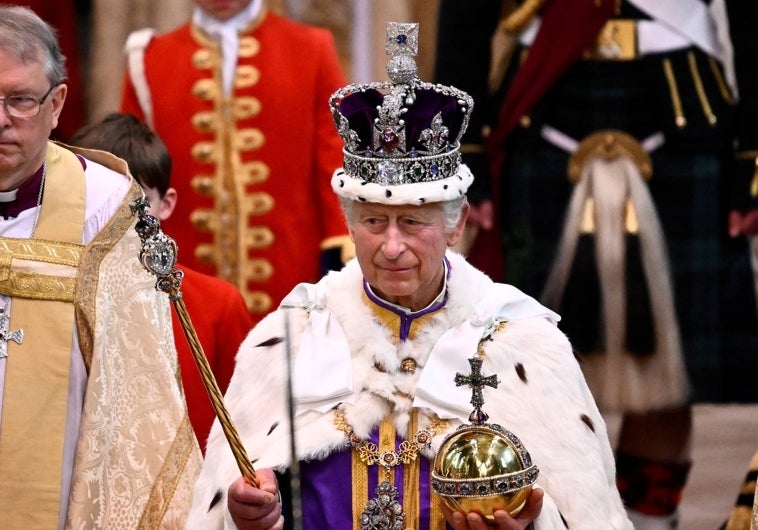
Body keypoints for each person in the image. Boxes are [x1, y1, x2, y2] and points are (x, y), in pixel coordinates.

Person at [186, 22, 633, 530]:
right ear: (350, 225)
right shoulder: (289, 339)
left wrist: (529, 524)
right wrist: (249, 516)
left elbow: (586, 516)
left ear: (456, 225)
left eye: (413, 222)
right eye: (374, 221)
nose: (392, 246)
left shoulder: (526, 346)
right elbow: (224, 505)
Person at [434, 1, 758, 528]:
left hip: (685, 114)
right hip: (542, 104)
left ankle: (650, 522)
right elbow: (465, 14)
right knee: (534, 359)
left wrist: (753, 150)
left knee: (667, 374)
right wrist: (463, 144)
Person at [0, 6, 201, 529]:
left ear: (57, 102)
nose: (0, 119)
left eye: (19, 100)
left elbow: (137, 397)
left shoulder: (108, 208)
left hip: (61, 492)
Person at [119, 0, 353, 324]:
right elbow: (133, 177)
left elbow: (334, 161)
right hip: (182, 287)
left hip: (292, 280)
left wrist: (339, 257)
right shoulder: (149, 60)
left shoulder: (312, 48)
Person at [69, 112, 254, 453]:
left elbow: (250, 428)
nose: (112, 220)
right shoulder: (55, 295)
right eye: (98, 201)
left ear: (165, 205)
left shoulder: (218, 305)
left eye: (134, 205)